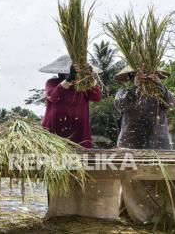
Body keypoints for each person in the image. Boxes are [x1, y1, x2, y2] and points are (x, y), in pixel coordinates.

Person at [41, 55, 121, 220]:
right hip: (54, 134)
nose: (71, 74)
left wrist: (90, 78)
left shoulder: (84, 85)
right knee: (55, 171)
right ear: (62, 73)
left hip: (79, 134)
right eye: (69, 72)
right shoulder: (53, 83)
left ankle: (77, 210)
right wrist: (69, 79)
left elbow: (97, 97)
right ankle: (56, 211)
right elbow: (53, 97)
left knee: (80, 171)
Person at [114, 66, 175, 224]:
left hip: (158, 142)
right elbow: (121, 105)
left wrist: (160, 87)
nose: (145, 77)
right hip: (131, 142)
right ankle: (127, 215)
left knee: (160, 181)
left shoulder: (160, 92)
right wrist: (136, 87)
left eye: (151, 75)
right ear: (131, 76)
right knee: (130, 181)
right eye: (139, 75)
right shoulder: (124, 92)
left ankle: (160, 216)